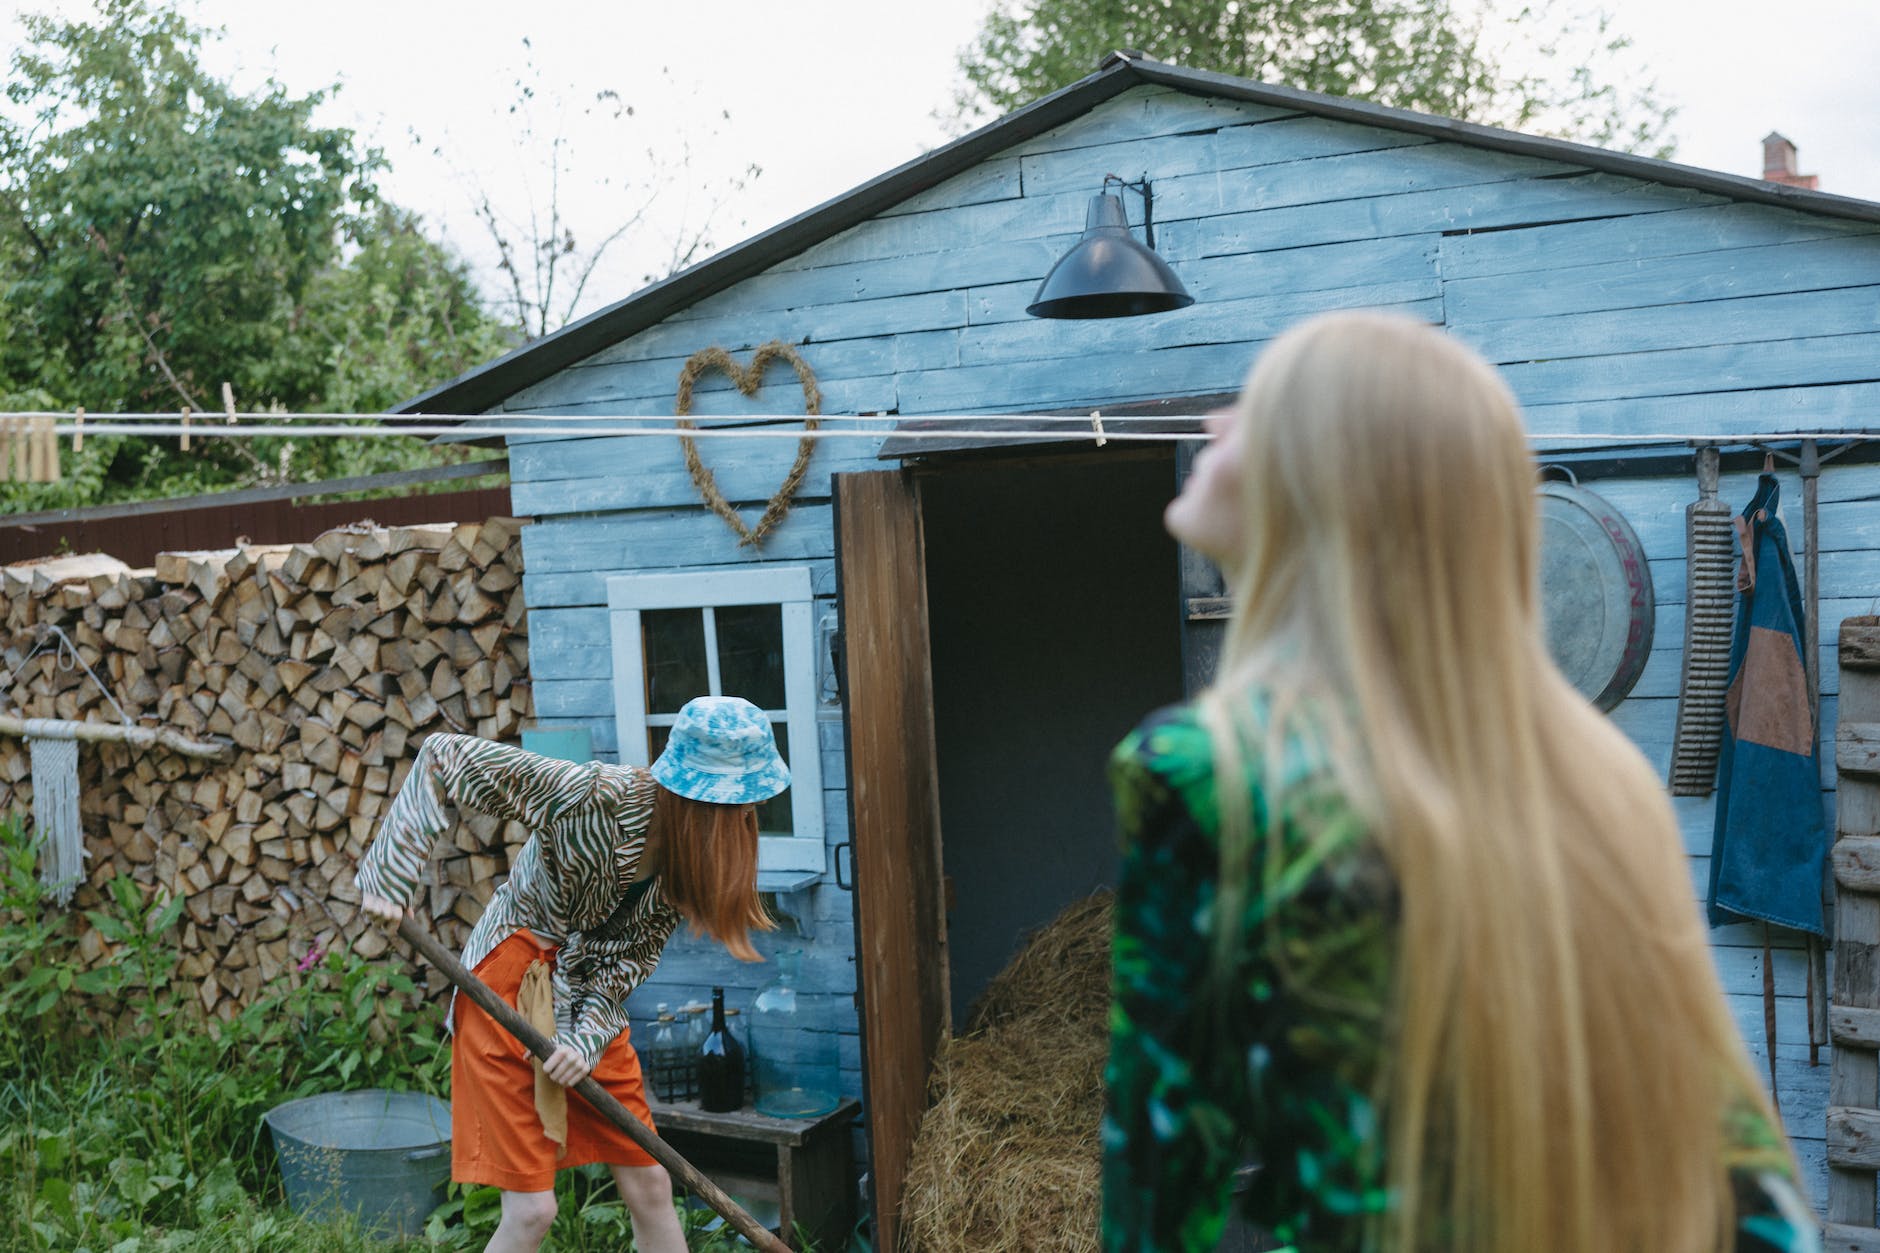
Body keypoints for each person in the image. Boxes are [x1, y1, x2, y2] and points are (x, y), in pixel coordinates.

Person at [1101, 312, 1819, 1253]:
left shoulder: (1209, 776)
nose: (1212, 425)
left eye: (1256, 408)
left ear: (1329, 482)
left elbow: (1157, 1202)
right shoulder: (1601, 782)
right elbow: (1759, 1197)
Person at [356, 695, 786, 1253]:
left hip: (585, 997)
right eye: (740, 807)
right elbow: (444, 757)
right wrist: (391, 876)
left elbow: (623, 964)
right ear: (701, 802)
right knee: (533, 1211)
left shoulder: (680, 868)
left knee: (652, 1180)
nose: (746, 822)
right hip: (511, 980)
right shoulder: (596, 796)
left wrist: (585, 1039)